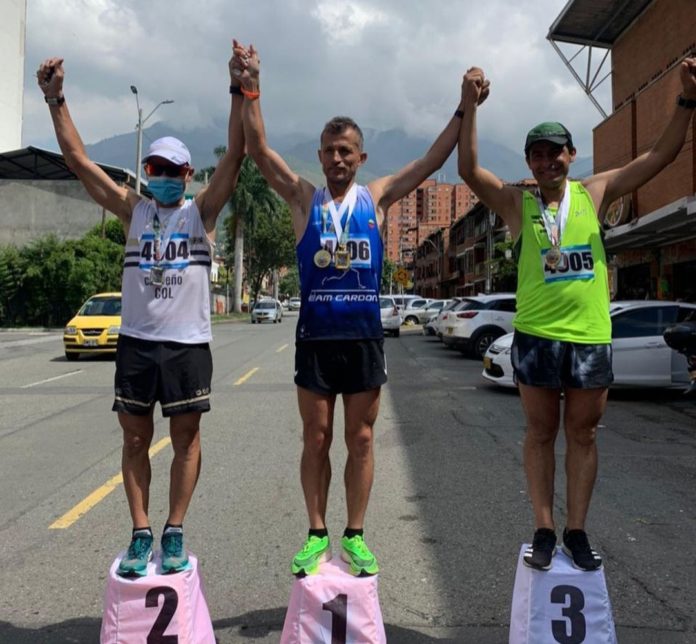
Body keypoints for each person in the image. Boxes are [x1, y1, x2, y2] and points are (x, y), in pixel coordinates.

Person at [231, 43, 487, 577]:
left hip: (364, 339)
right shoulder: (303, 199)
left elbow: (432, 161)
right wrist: (251, 86)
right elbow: (258, 151)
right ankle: (315, 532)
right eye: (329, 151)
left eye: (346, 151)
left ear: (361, 157)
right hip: (316, 340)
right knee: (316, 438)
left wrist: (465, 107)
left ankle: (355, 534)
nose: (337, 159)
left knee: (362, 438)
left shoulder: (378, 197)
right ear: (320, 155)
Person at [458, 58, 696, 571]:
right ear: (530, 161)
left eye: (555, 152)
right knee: (540, 434)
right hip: (536, 335)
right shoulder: (516, 205)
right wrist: (469, 107)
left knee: (584, 435)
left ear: (571, 154)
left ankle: (578, 530)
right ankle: (544, 528)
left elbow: (661, 155)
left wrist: (686, 100)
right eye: (537, 155)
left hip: (589, 336)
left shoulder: (595, 192)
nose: (547, 162)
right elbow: (469, 171)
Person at [37, 51, 245, 576]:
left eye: (173, 170)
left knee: (185, 441)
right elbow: (79, 162)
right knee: (134, 439)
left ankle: (174, 530)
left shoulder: (202, 213)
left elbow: (236, 156)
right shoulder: (134, 209)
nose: (163, 176)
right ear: (147, 172)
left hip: (187, 345)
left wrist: (238, 89)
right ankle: (139, 531)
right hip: (136, 343)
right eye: (155, 169)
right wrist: (55, 99)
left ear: (188, 174)